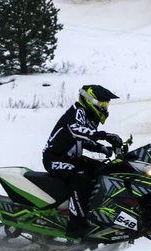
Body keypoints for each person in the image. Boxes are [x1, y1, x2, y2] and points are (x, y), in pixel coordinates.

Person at [42, 85, 122, 238]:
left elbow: (83, 140)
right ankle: (76, 226)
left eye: (107, 104)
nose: (105, 107)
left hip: (73, 159)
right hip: (54, 158)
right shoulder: (77, 111)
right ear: (90, 100)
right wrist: (104, 136)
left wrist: (104, 149)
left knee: (104, 170)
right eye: (102, 103)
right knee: (80, 178)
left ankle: (100, 216)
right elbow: (76, 130)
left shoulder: (88, 116)